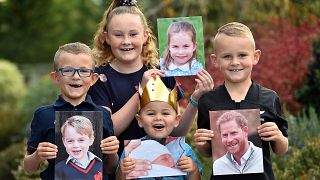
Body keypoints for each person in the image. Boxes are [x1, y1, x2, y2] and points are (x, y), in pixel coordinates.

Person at [88, 0, 213, 158]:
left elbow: (176, 130)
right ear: (106, 37)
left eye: (133, 34)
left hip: (160, 168)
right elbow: (106, 130)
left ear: (145, 36)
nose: (126, 41)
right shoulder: (98, 79)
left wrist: (196, 98)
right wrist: (142, 90)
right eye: (118, 35)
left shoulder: (160, 73)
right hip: (120, 170)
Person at [194, 22, 288, 180]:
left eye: (242, 55)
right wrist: (201, 143)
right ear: (215, 60)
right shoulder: (207, 101)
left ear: (255, 57)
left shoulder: (269, 98)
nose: (235, 62)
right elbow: (208, 152)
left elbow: (281, 150)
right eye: (227, 56)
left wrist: (277, 136)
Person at [23, 42, 119, 180]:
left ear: (93, 79)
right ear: (56, 77)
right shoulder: (43, 115)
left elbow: (110, 168)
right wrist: (38, 155)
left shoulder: (103, 115)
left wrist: (112, 152)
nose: (76, 76)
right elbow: (28, 169)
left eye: (84, 71)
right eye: (67, 70)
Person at [116, 75, 202, 180]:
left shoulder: (184, 150)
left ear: (176, 120)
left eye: (165, 113)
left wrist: (193, 170)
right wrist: (122, 171)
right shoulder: (131, 151)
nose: (158, 118)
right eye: (151, 114)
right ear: (140, 120)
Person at [212, 111, 263, 175]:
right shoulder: (218, 166)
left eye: (233, 133)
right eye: (225, 135)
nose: (229, 139)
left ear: (245, 131)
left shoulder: (261, 158)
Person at [55, 115, 103, 179]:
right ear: (64, 142)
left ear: (91, 140)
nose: (75, 145)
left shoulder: (101, 164)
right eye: (70, 141)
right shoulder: (59, 168)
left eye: (81, 140)